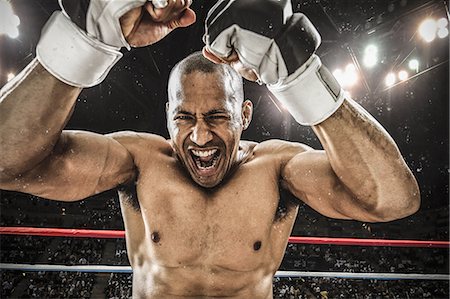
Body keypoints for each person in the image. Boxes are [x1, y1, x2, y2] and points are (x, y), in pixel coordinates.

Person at [0, 0, 420, 298]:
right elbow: (6, 163)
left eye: (218, 116)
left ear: (245, 115)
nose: (201, 137)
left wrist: (302, 77)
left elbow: (394, 201)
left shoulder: (277, 168)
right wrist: (81, 45)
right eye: (185, 118)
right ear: (168, 117)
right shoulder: (138, 162)